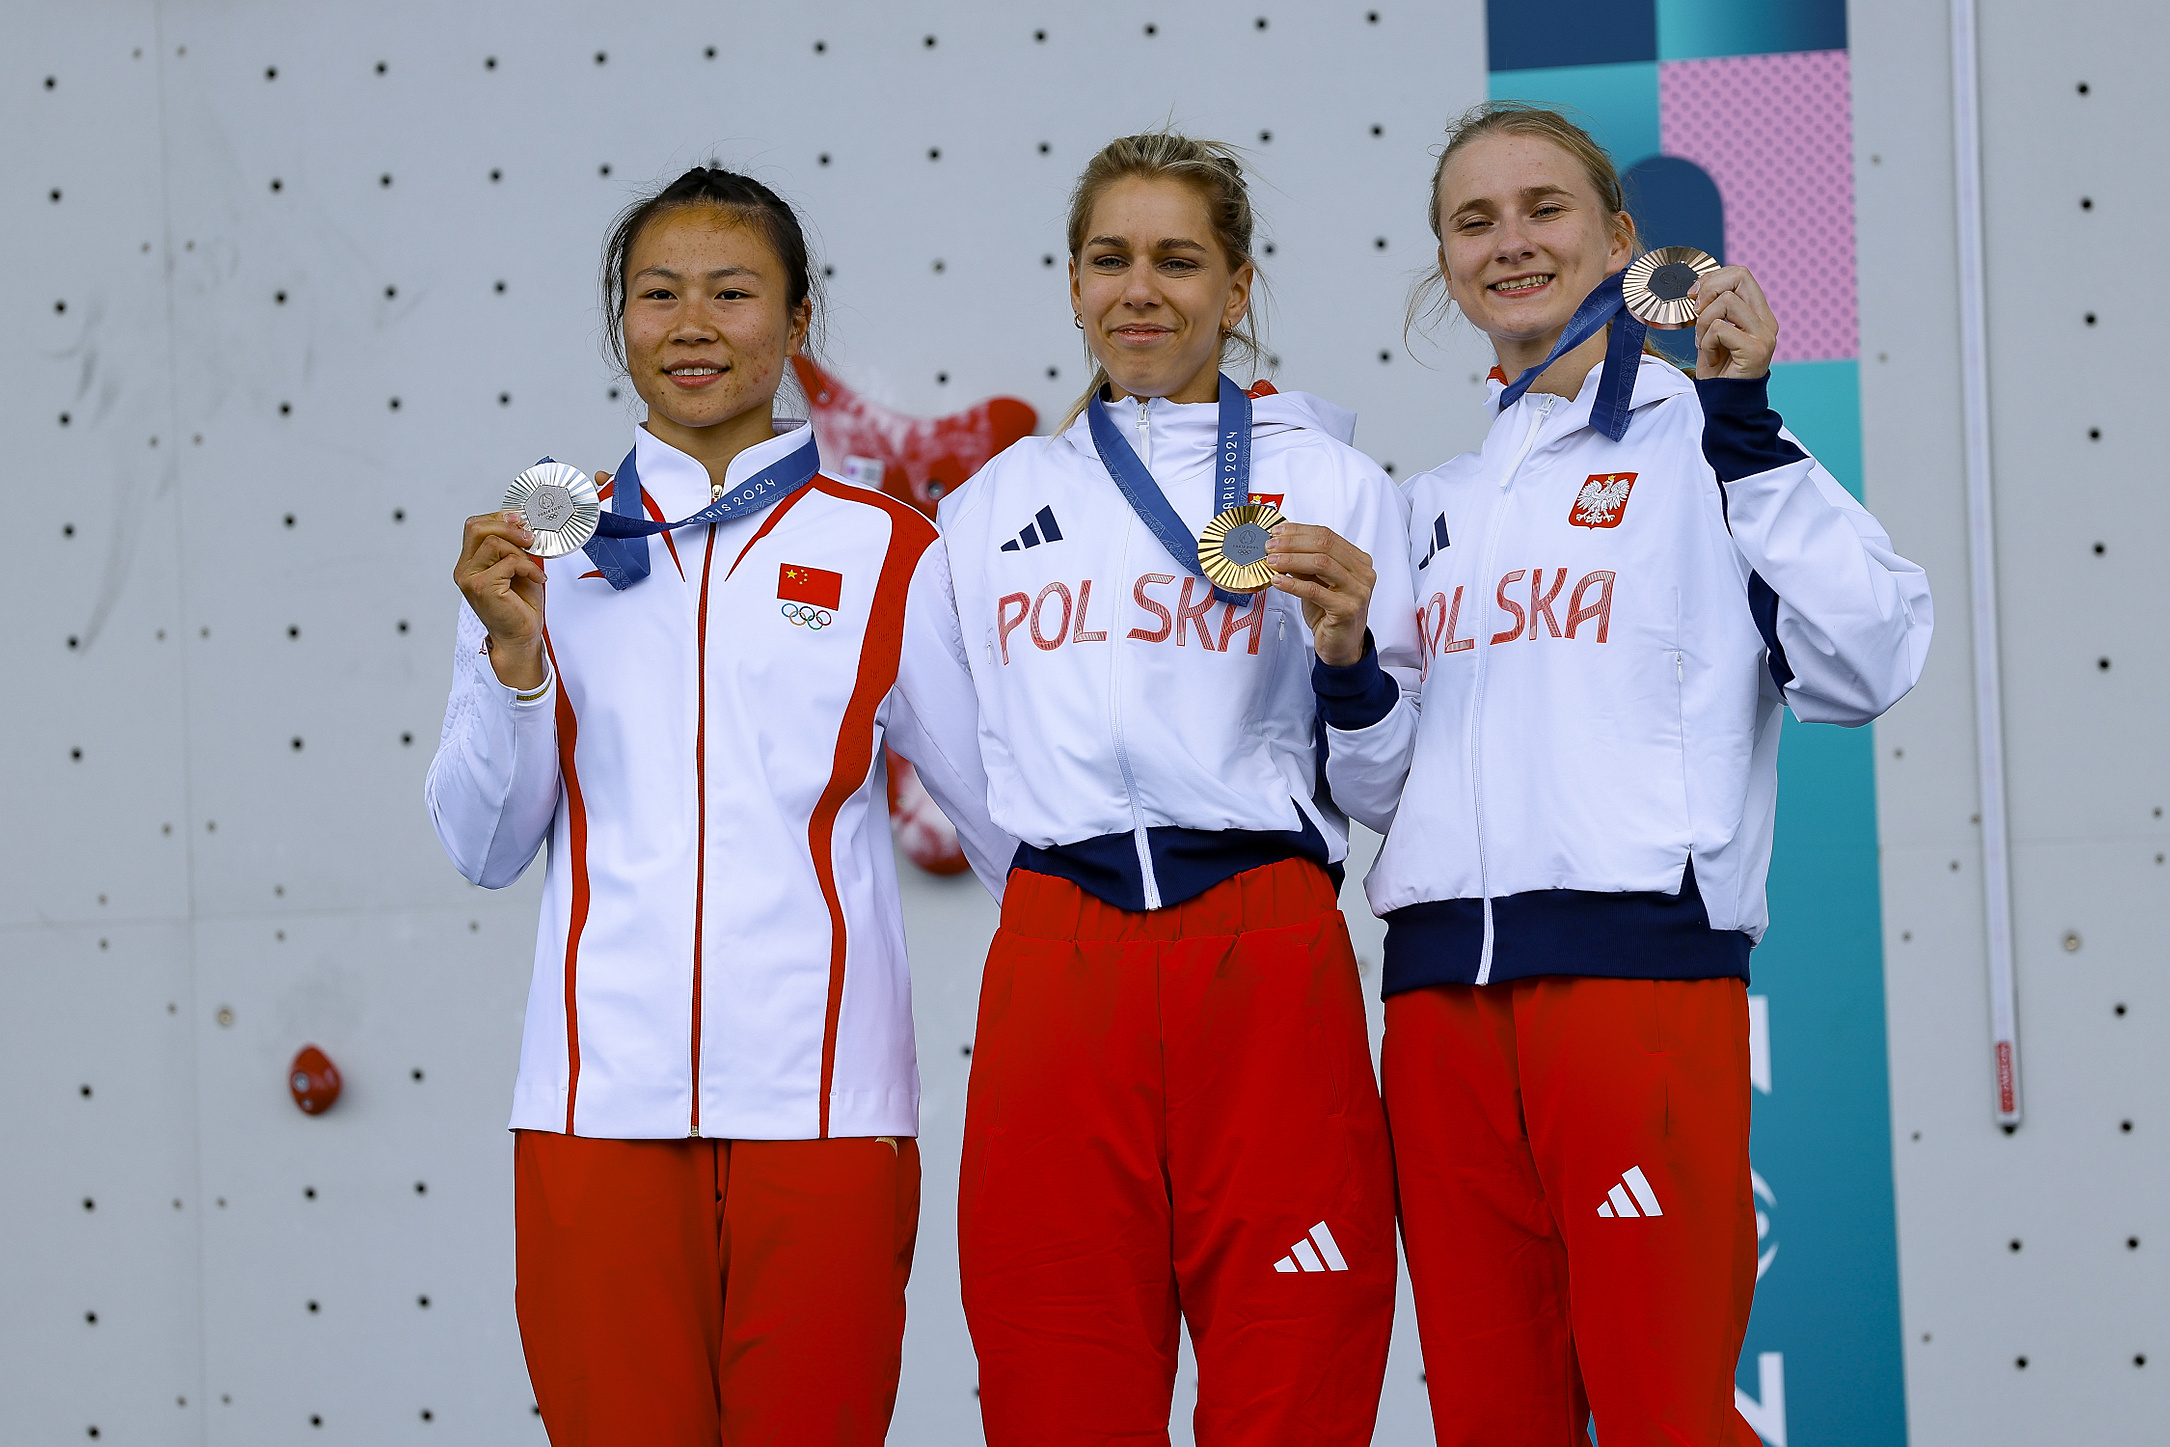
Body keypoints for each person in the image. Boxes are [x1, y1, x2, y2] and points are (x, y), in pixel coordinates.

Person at [1371, 103, 1933, 1446]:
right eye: (1473, 218)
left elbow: (1867, 657)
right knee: (1490, 1419)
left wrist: (1746, 429)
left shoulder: (1708, 443)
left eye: (1543, 208)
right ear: (1443, 260)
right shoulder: (1430, 500)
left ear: (1620, 239)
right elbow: (1380, 776)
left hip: (1634, 983)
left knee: (1663, 1413)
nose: (1510, 242)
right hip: (1439, 999)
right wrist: (1342, 668)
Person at [423, 166, 1012, 1447]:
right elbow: (481, 843)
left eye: (733, 292)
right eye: (658, 295)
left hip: (828, 1108)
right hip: (595, 1105)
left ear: (798, 322)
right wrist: (516, 663)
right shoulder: (537, 538)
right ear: (619, 322)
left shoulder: (890, 551)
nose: (692, 325)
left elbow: (1007, 826)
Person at [939, 132, 1420, 1446]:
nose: (1138, 288)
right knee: (1057, 1376)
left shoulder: (1331, 485)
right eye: (1109, 258)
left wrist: (1346, 663)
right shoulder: (988, 508)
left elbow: (1388, 785)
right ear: (1073, 282)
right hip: (1059, 955)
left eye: (1176, 258)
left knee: (1294, 1371)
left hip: (1260, 941)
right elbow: (965, 755)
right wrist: (1057, 896)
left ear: (1238, 284)